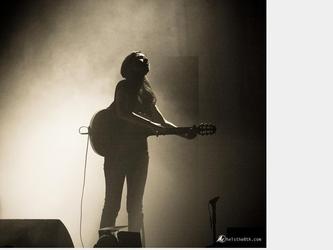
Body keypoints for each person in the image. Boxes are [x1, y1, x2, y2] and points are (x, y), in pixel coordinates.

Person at [99, 51, 196, 239]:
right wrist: (153, 126)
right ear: (129, 66)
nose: (145, 60)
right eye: (139, 59)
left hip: (139, 154)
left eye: (145, 58)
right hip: (117, 153)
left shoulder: (146, 92)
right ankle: (104, 243)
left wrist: (183, 133)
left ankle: (134, 243)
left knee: (135, 204)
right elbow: (123, 113)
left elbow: (162, 122)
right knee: (112, 203)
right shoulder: (124, 86)